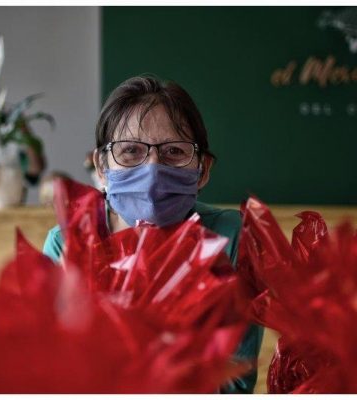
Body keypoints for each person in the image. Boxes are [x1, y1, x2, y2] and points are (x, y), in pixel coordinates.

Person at [43, 75, 263, 393]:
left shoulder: (229, 238)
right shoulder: (67, 243)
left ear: (203, 170)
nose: (153, 169)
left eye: (174, 151)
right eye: (131, 151)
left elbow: (235, 381)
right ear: (101, 167)